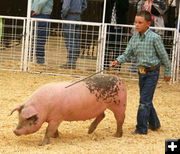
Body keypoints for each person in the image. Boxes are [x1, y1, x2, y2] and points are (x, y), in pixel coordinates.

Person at [112, 10, 171, 135]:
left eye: (140, 22)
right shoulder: (134, 38)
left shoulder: (155, 38)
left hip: (152, 73)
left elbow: (164, 57)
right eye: (135, 22)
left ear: (148, 24)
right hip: (141, 73)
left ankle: (141, 129)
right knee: (146, 99)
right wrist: (118, 60)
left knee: (144, 101)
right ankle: (155, 124)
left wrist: (167, 72)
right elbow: (128, 54)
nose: (137, 25)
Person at [60, 0, 87, 69]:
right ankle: (73, 61)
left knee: (69, 40)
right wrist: (78, 12)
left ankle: (70, 62)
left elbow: (66, 7)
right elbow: (84, 6)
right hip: (77, 17)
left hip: (69, 16)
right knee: (75, 40)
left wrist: (63, 15)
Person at [104, 0, 129, 70]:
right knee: (106, 46)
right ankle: (105, 65)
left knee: (118, 47)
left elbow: (126, 8)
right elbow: (103, 6)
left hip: (119, 26)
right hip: (109, 26)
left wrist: (118, 2)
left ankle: (117, 66)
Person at [31, 0, 53, 64]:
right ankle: (40, 60)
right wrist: (38, 10)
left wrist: (32, 9)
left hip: (34, 13)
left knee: (33, 37)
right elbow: (42, 2)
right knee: (41, 38)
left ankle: (31, 57)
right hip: (42, 14)